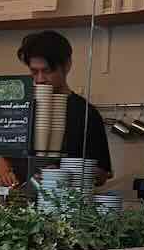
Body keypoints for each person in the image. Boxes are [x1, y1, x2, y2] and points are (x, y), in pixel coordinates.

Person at [16, 29, 112, 182]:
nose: (40, 79)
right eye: (34, 72)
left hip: (66, 201)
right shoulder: (20, 109)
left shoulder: (86, 113)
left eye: (46, 71)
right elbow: (4, 155)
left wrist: (63, 174)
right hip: (22, 200)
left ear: (67, 65)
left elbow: (102, 174)